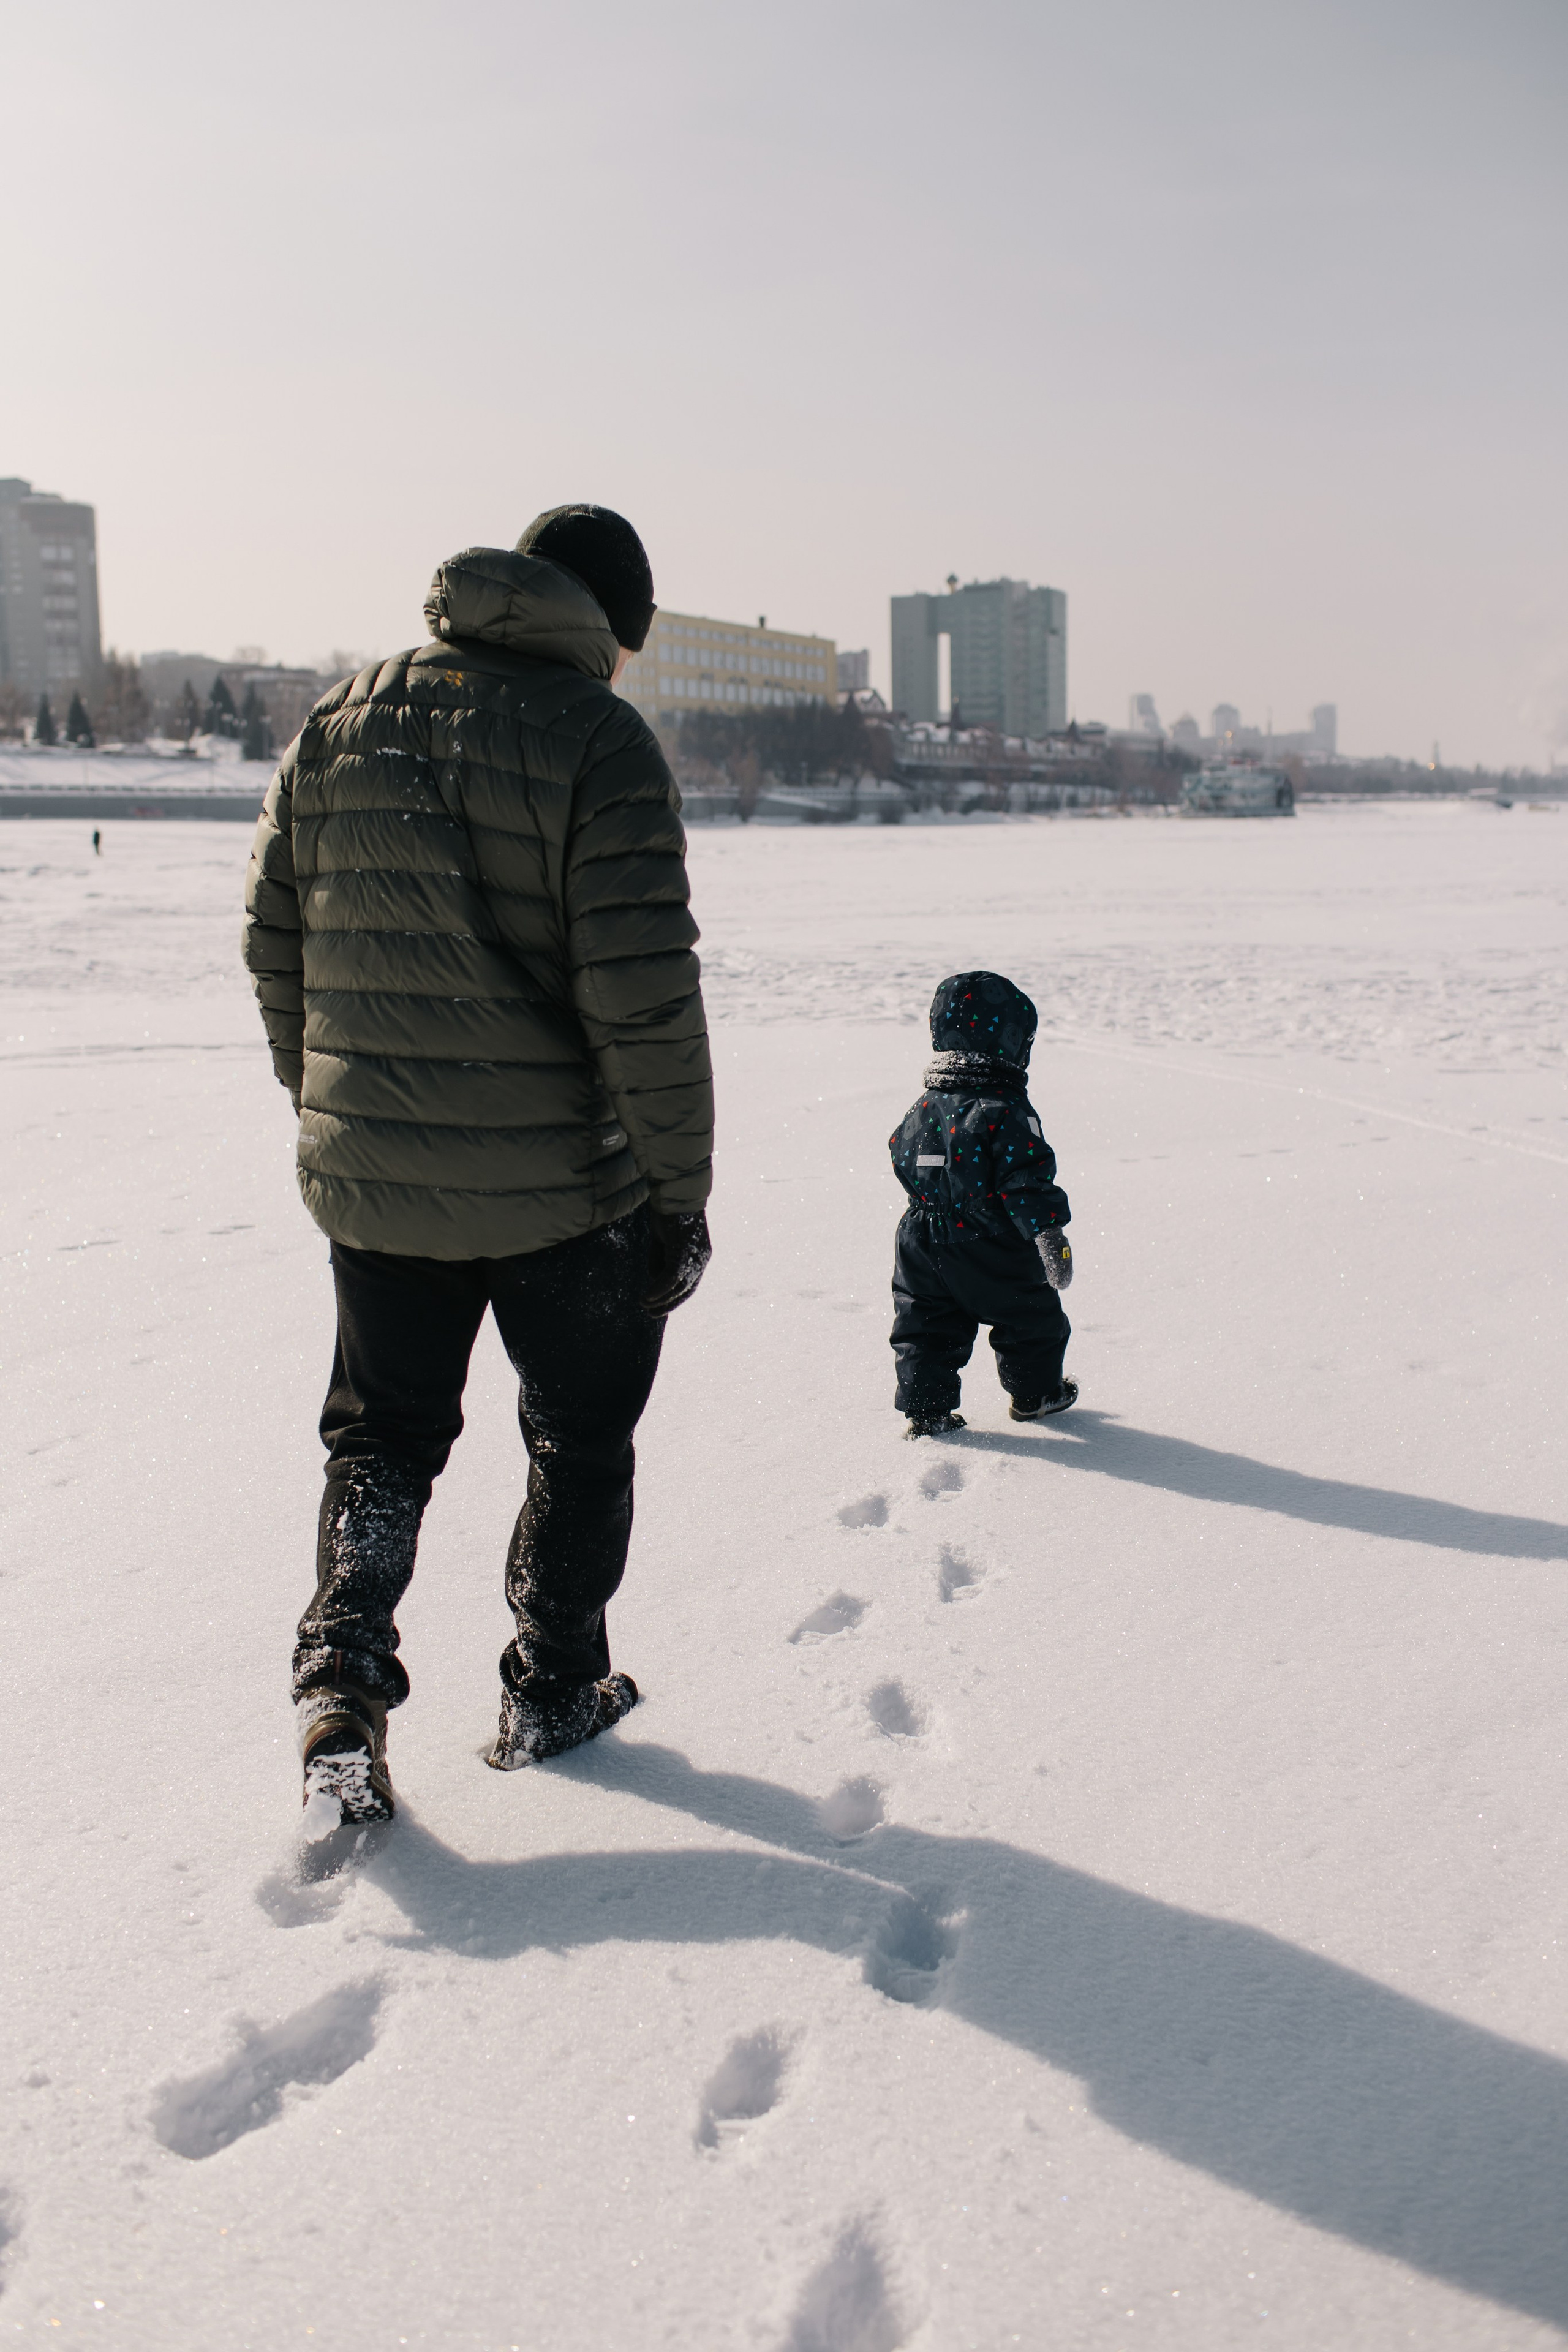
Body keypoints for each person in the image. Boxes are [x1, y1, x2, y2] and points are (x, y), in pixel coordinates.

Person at [241, 506, 714, 1826]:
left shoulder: (341, 718)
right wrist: (678, 1190)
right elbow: (642, 998)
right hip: (568, 1192)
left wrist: (334, 1105)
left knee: (382, 1440)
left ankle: (340, 1680)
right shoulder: (596, 740)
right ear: (609, 628)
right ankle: (552, 1683)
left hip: (376, 1183)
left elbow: (276, 939)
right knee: (575, 1436)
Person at [888, 971, 1076, 1437]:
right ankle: (1035, 1395)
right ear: (1010, 1043)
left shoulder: (924, 1103)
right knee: (1031, 1316)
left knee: (925, 1323)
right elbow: (1025, 1177)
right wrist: (1047, 1231)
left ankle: (926, 1412)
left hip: (920, 1237)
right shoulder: (1004, 1108)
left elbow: (900, 1152)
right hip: (990, 1237)